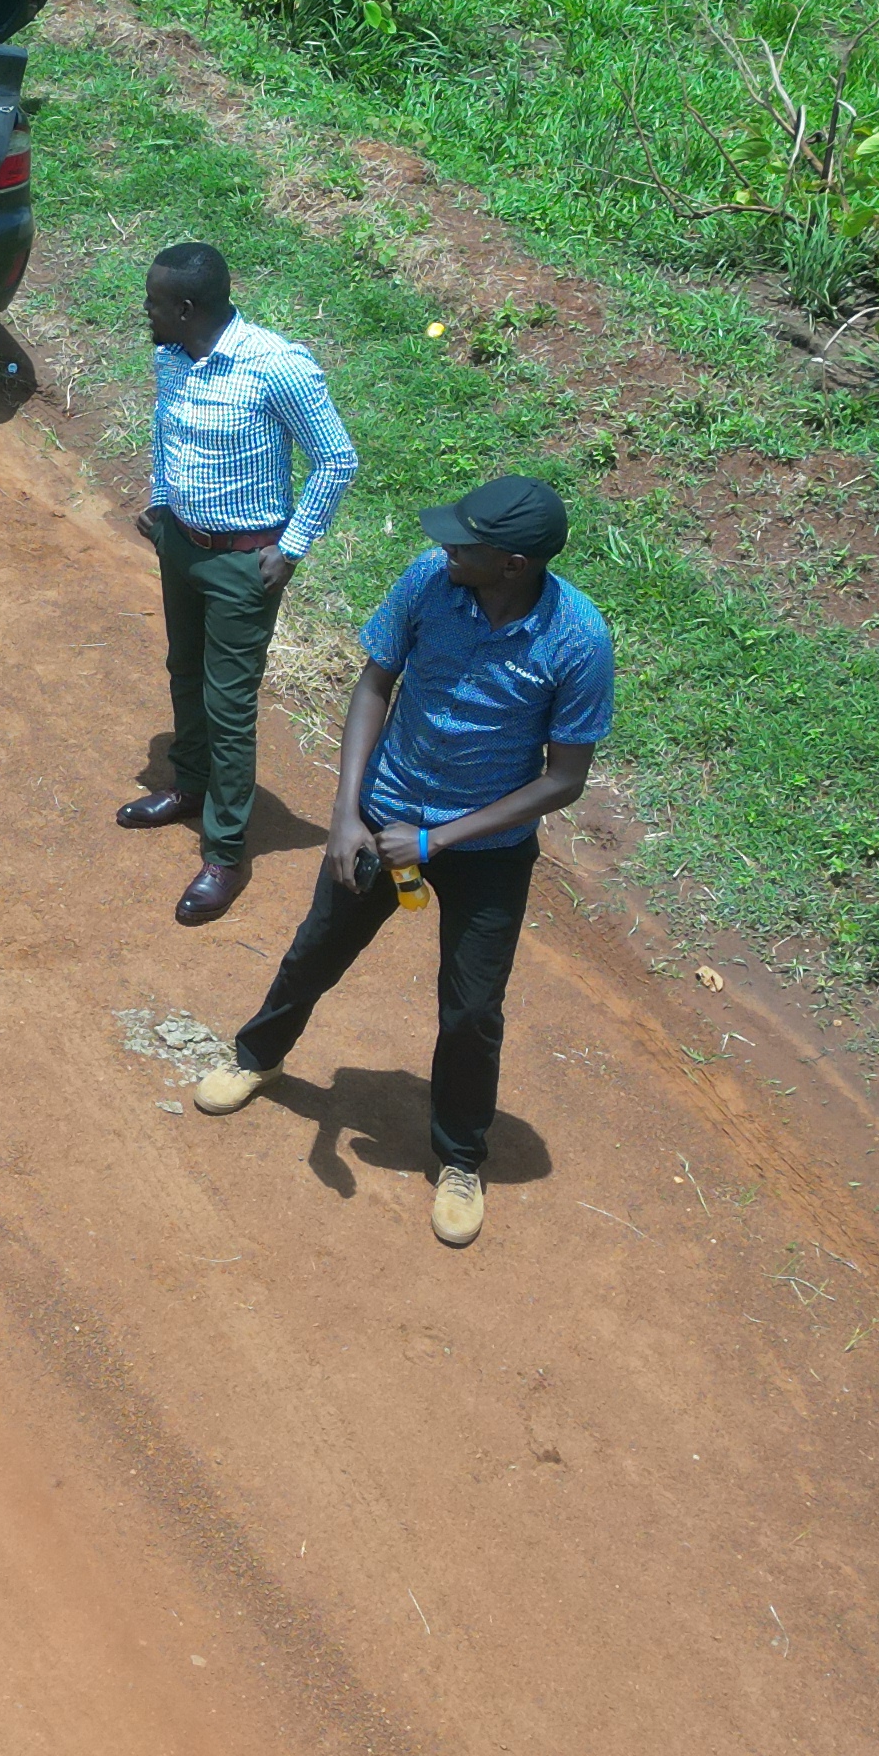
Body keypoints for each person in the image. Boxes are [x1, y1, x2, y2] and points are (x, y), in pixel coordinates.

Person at [194, 475, 614, 1250]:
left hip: (485, 852)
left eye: (465, 541)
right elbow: (375, 684)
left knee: (472, 1011)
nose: (445, 546)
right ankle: (258, 1056)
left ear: (513, 563)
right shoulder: (431, 578)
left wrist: (438, 841)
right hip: (384, 813)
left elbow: (565, 778)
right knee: (317, 947)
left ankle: (460, 1159)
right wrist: (347, 815)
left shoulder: (577, 639)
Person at [113, 242, 358, 926]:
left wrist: (293, 548)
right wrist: (163, 505)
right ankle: (189, 786)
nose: (145, 310)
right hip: (180, 547)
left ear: (186, 308)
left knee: (228, 703)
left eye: (155, 301)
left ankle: (224, 851)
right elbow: (170, 436)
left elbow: (337, 459)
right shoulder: (172, 355)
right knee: (183, 671)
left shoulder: (275, 367)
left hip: (245, 564)